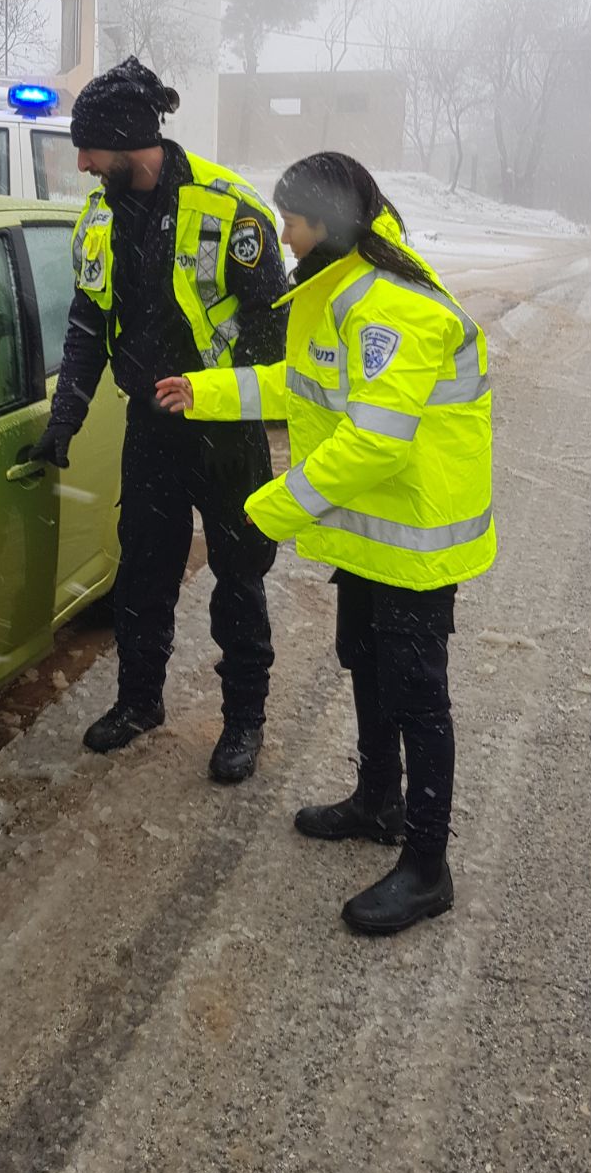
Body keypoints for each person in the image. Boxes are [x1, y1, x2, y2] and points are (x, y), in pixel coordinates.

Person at [155, 152, 495, 932]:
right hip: (373, 538)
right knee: (367, 665)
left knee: (418, 697)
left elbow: (375, 442)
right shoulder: (336, 289)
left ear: (330, 222)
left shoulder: (389, 307)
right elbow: (296, 383)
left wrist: (269, 508)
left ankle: (426, 865)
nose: (284, 234)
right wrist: (204, 391)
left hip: (415, 541)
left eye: (295, 219)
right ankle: (378, 800)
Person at [30, 56, 287, 783]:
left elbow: (273, 335)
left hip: (224, 431)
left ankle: (244, 722)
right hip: (151, 428)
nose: (80, 164)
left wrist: (221, 394)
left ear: (127, 140)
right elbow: (87, 320)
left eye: (89, 149)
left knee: (239, 578)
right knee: (141, 575)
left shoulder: (229, 211)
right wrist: (66, 416)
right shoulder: (100, 214)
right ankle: (140, 701)